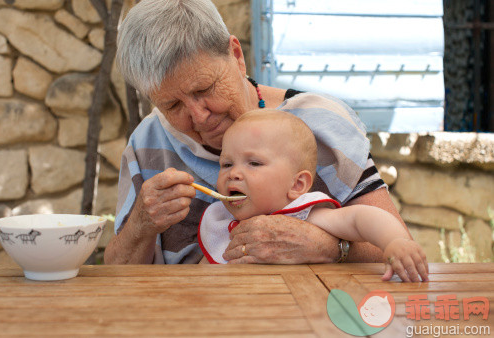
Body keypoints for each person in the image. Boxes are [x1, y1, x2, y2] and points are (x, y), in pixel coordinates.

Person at [104, 0, 407, 267]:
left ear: (236, 55)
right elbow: (118, 271)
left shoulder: (320, 123)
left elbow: (395, 245)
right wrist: (141, 224)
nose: (199, 116)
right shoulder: (148, 144)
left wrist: (330, 247)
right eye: (172, 105)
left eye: (204, 89)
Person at [198, 110, 428, 282]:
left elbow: (361, 219)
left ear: (297, 184)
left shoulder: (305, 214)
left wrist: (394, 241)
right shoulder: (219, 221)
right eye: (226, 164)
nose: (233, 174)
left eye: (254, 163)